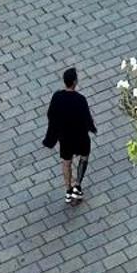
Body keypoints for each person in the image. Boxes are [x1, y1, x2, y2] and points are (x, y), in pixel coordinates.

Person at [43, 67, 97, 206]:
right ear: (74, 82)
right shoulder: (80, 99)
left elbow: (51, 115)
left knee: (66, 162)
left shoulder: (57, 97)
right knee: (84, 157)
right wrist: (92, 128)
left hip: (65, 137)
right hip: (80, 136)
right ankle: (77, 186)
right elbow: (87, 119)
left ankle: (68, 190)